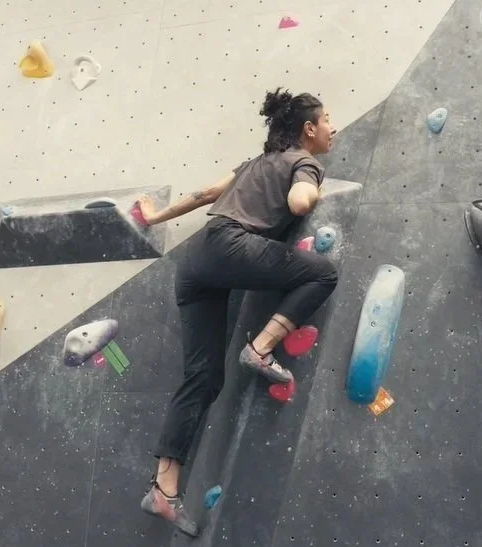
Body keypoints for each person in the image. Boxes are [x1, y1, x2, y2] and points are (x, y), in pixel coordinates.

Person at [133, 87, 339, 536]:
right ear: (308, 130)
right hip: (231, 247)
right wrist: (315, 188)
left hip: (197, 262)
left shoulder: (254, 164)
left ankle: (163, 490)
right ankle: (262, 348)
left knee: (204, 378)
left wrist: (154, 217)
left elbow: (206, 193)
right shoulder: (303, 162)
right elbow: (299, 203)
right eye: (326, 120)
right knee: (322, 274)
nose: (332, 127)